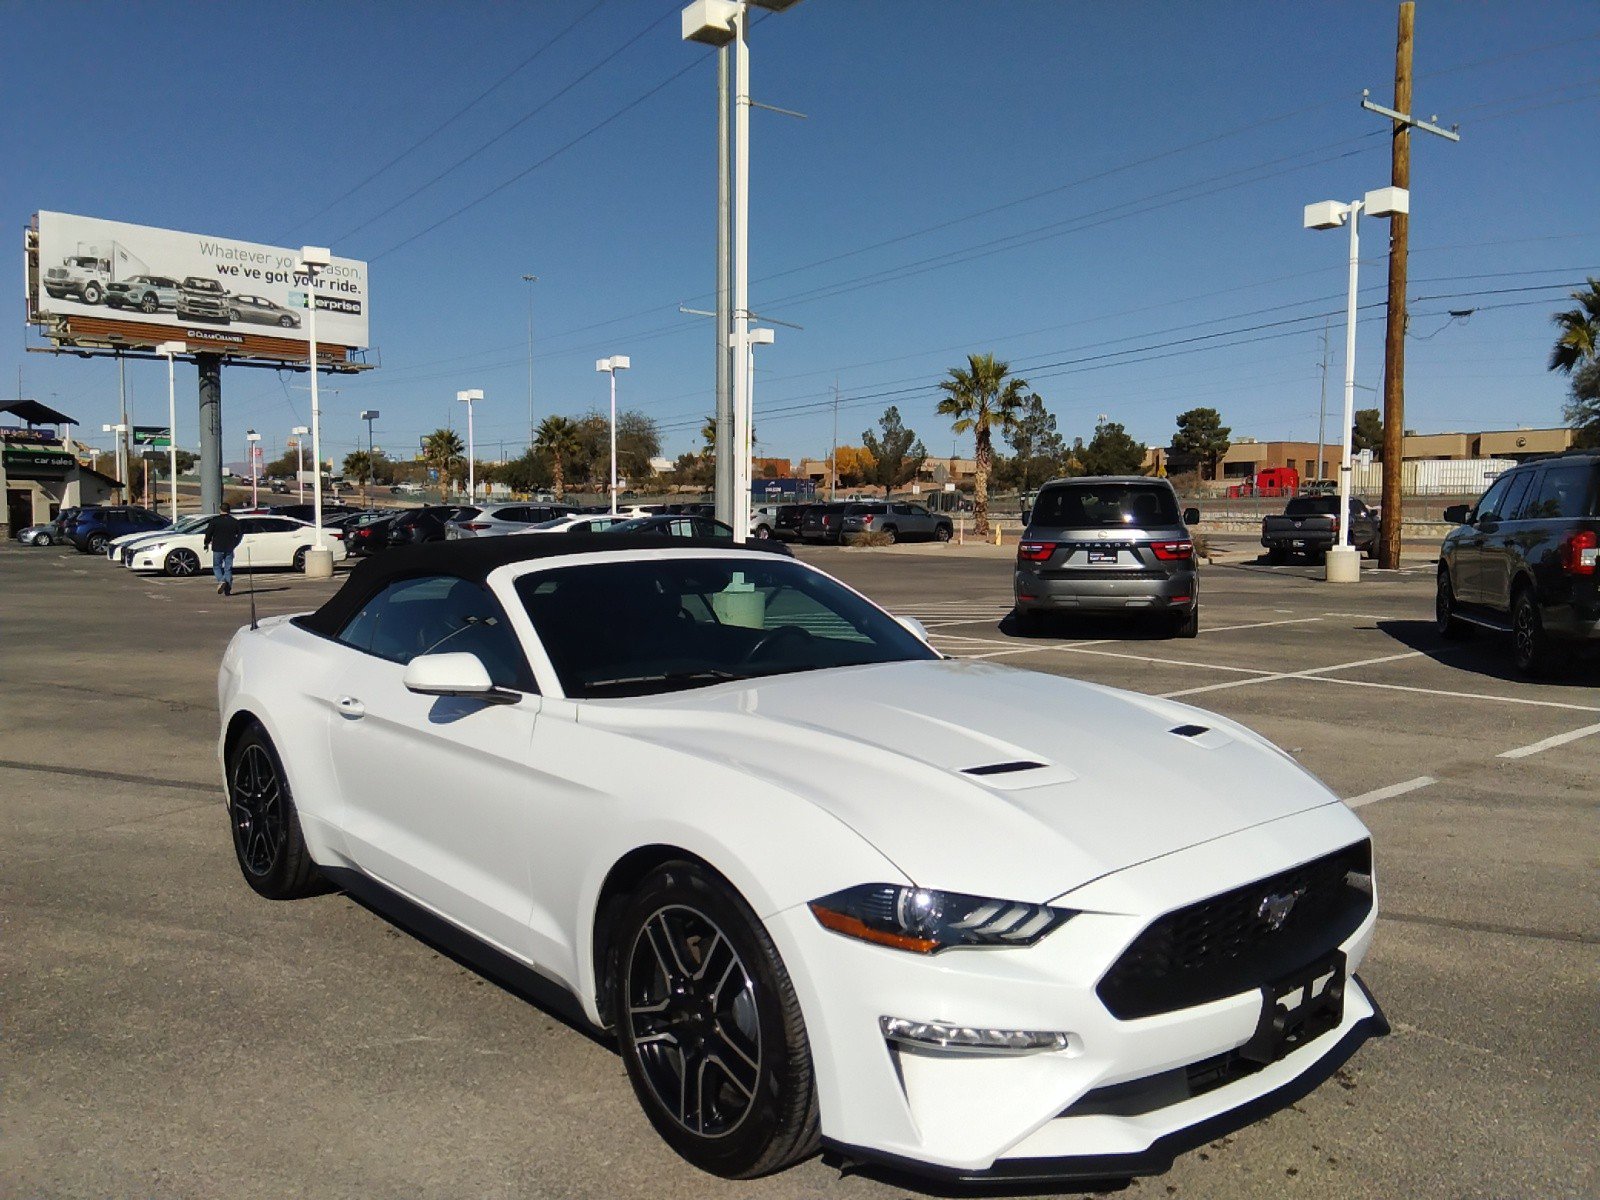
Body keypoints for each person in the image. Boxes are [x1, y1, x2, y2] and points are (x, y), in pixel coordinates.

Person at [204, 503, 244, 596]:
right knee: (228, 569)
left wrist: (206, 543)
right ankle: (227, 590)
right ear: (229, 510)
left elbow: (208, 533)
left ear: (220, 509)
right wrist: (235, 543)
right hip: (229, 547)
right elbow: (240, 534)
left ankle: (222, 581)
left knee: (217, 567)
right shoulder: (234, 521)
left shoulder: (215, 521)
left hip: (217, 547)